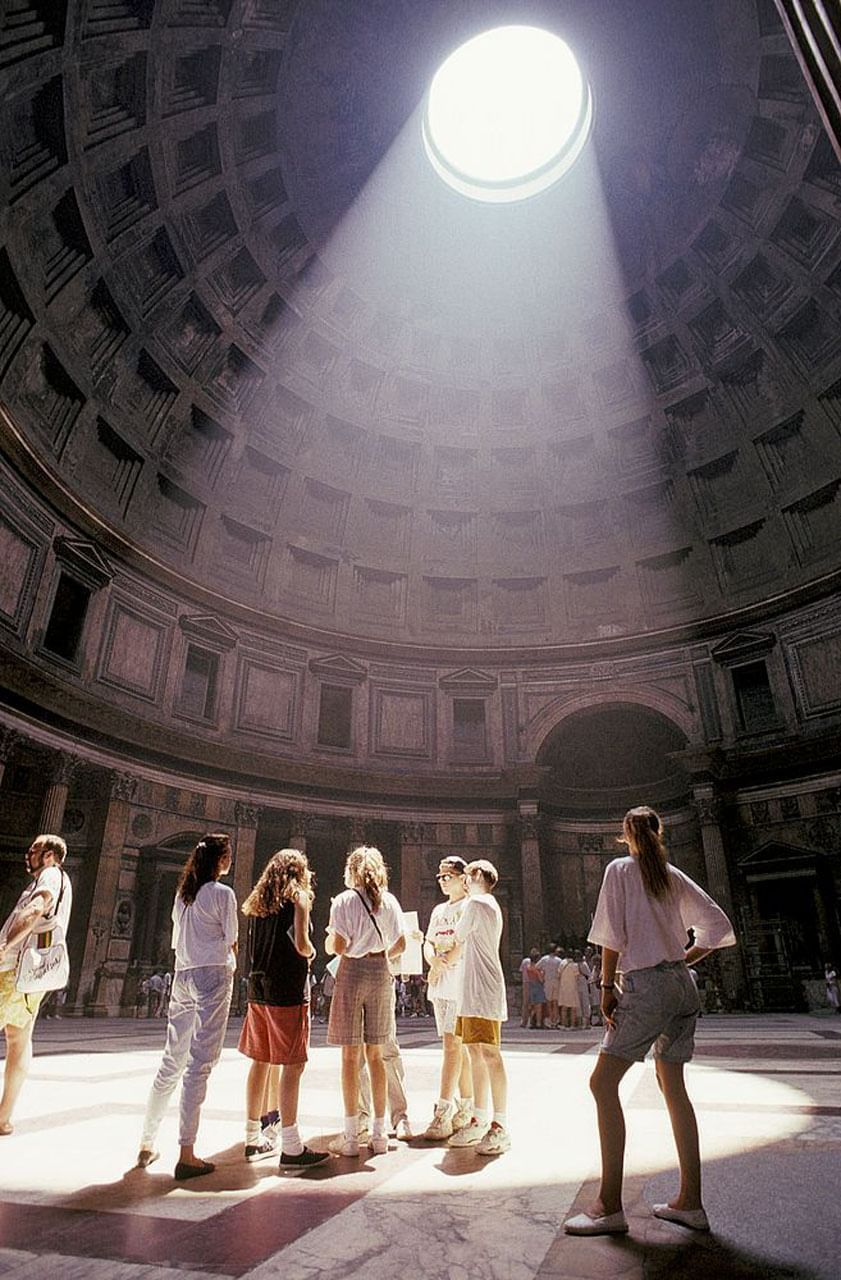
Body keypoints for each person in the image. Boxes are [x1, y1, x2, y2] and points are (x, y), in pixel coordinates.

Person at [565, 805, 736, 1237]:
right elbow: (718, 927)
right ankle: (690, 1202)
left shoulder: (619, 870)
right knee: (674, 1088)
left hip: (647, 986)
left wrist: (606, 986)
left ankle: (608, 1206)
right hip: (682, 985)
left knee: (602, 1084)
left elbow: (610, 935)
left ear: (625, 835)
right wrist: (681, 960)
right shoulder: (672, 875)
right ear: (659, 833)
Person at [136, 833, 237, 1180]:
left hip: (183, 974)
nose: (230, 860)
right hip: (213, 974)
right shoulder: (223, 894)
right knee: (200, 1063)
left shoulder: (183, 895)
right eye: (228, 855)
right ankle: (187, 1153)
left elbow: (176, 940)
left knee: (171, 1061)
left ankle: (147, 1143)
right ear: (220, 861)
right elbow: (232, 939)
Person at [238, 849, 329, 1173]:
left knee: (260, 1060)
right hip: (287, 987)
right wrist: (313, 952)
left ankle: (252, 1138)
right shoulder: (299, 897)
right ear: (298, 872)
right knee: (292, 1064)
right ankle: (291, 1146)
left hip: (258, 987)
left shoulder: (258, 903)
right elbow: (302, 944)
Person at [325, 845, 406, 1157]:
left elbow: (339, 946)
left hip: (352, 972)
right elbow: (400, 943)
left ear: (352, 870)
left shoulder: (344, 900)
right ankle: (379, 1134)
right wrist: (381, 953)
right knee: (377, 1055)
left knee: (350, 1056)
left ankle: (350, 1137)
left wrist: (331, 939)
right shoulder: (390, 901)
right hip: (380, 972)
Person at [0, 834, 73, 1135]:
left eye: (34, 850)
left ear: (49, 856)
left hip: (14, 969)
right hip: (30, 977)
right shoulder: (60, 880)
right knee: (18, 1040)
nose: (28, 855)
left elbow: (35, 909)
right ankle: (3, 1117)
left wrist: (4, 945)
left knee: (18, 1040)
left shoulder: (51, 875)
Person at [444, 859, 510, 1156]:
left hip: (482, 990)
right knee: (474, 1053)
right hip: (471, 990)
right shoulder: (487, 904)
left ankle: (500, 1125)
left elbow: (456, 936)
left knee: (489, 1054)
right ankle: (480, 1118)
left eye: (467, 876)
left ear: (479, 875)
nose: (464, 881)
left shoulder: (477, 903)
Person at [421, 856, 474, 1140]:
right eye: (439, 877)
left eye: (447, 876)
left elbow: (463, 944)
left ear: (463, 878)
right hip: (441, 985)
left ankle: (443, 1111)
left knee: (452, 1047)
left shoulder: (469, 907)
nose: (442, 881)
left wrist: (441, 965)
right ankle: (466, 1107)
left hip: (459, 984)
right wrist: (433, 961)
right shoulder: (439, 910)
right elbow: (429, 941)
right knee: (457, 1048)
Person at [540, 943, 563, 1029]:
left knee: (549, 1002)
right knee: (555, 1003)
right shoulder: (559, 960)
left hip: (548, 982)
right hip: (556, 982)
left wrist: (542, 976)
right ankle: (555, 1021)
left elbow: (537, 967)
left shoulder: (544, 959)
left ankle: (550, 1020)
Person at [558, 949, 580, 1027]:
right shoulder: (575, 965)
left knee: (564, 1007)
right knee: (573, 1008)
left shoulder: (562, 963)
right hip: (572, 988)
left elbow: (558, 975)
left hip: (563, 988)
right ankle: (572, 1025)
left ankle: (564, 1024)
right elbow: (577, 978)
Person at [526, 948, 546, 1028]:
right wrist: (542, 974)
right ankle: (538, 1023)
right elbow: (541, 979)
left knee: (533, 1006)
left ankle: (531, 1022)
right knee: (539, 1006)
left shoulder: (528, 967)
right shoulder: (536, 969)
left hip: (531, 986)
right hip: (538, 986)